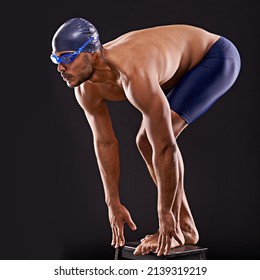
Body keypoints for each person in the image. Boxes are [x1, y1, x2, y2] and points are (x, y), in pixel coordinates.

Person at [50, 17, 241, 256]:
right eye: (55, 58)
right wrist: (113, 203)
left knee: (153, 141)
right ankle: (185, 227)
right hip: (175, 67)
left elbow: (165, 147)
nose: (60, 67)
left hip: (214, 57)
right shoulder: (85, 88)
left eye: (66, 58)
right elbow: (105, 142)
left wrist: (165, 217)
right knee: (147, 141)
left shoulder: (133, 71)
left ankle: (179, 228)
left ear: (93, 53)